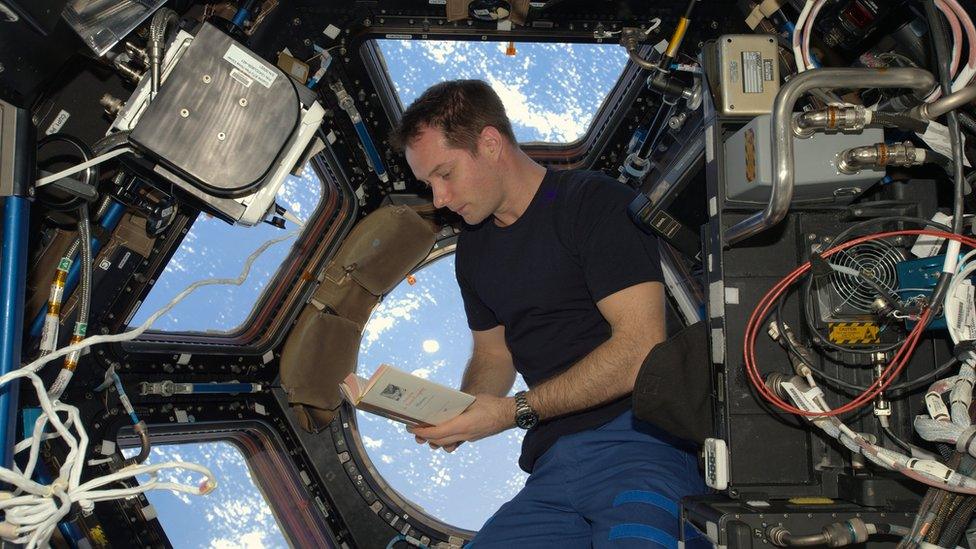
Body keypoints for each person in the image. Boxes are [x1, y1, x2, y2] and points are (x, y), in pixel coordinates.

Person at [389, 79, 706, 548]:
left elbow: (639, 349)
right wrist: (462, 411)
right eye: (428, 184)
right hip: (551, 466)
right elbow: (494, 356)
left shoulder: (591, 202)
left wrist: (512, 411)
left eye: (445, 174)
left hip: (640, 443)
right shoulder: (472, 251)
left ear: (490, 143)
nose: (438, 198)